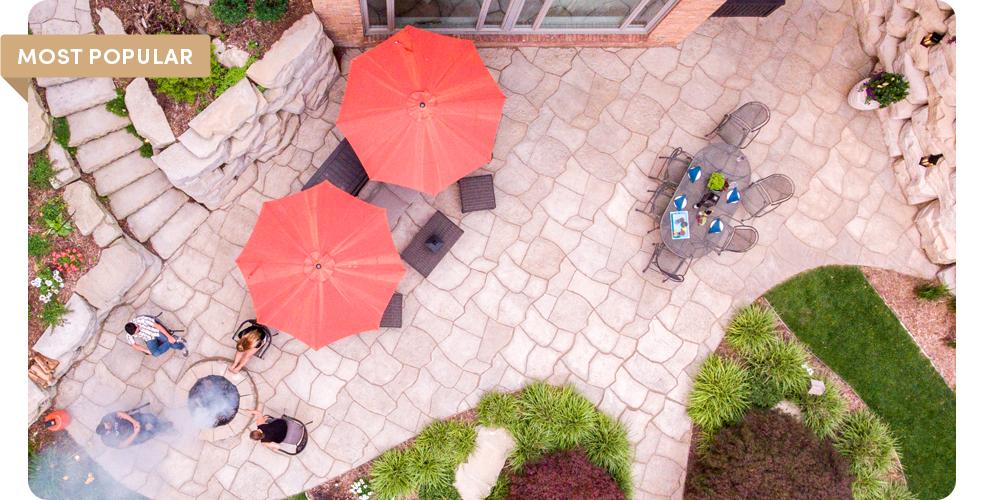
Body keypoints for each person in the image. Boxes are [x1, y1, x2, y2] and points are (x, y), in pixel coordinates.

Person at [95, 410, 173, 448]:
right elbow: (123, 444)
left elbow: (120, 414)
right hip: (133, 436)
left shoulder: (106, 419)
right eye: (108, 426)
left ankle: (162, 426)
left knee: (148, 417)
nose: (109, 423)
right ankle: (163, 428)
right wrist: (135, 433)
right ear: (107, 432)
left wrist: (134, 422)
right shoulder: (108, 441)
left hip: (132, 421)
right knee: (148, 434)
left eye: (107, 423)